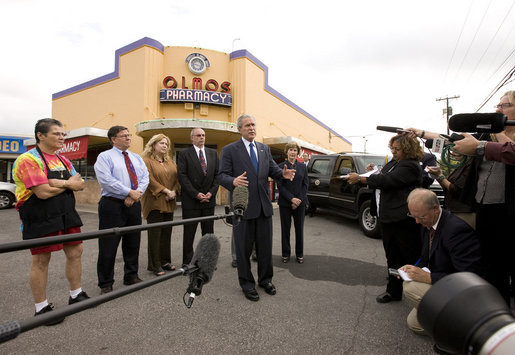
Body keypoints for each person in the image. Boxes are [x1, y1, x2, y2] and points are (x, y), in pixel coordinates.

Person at [411, 90, 515, 306]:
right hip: (484, 213)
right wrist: (421, 132)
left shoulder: (496, 139)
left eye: (504, 105)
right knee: (491, 269)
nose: (498, 109)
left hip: (509, 215)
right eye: (498, 105)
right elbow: (449, 141)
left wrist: (495, 132)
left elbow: (509, 151)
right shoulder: (486, 136)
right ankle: (496, 313)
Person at [12, 118, 89, 324]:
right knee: (41, 259)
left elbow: (81, 185)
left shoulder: (64, 160)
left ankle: (76, 294)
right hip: (39, 214)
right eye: (57, 133)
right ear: (40, 135)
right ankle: (41, 308)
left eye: (63, 134)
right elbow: (43, 192)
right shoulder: (27, 160)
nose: (62, 137)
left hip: (66, 212)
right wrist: (68, 183)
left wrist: (57, 181)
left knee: (76, 252)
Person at [218, 114, 295, 302]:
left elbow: (272, 171)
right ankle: (247, 284)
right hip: (242, 208)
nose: (252, 128)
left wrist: (282, 174)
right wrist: (233, 181)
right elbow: (221, 175)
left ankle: (265, 280)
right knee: (243, 250)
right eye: (247, 125)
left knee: (265, 248)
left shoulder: (263, 149)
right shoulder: (230, 150)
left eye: (253, 125)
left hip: (263, 207)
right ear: (239, 129)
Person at [347, 134, 423, 303]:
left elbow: (388, 180)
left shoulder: (410, 166)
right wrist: (374, 170)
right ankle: (394, 291)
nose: (394, 152)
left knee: (410, 256)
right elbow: (383, 174)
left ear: (407, 149)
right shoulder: (394, 163)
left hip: (403, 220)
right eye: (392, 148)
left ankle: (419, 293)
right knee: (392, 256)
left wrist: (360, 178)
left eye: (397, 149)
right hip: (388, 218)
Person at [400, 188, 482, 335]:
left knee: (410, 288)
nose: (417, 221)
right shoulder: (427, 223)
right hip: (443, 285)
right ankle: (452, 327)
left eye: (421, 217)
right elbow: (426, 258)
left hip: (462, 294)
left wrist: (428, 277)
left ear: (435, 209)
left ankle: (465, 327)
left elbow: (468, 277)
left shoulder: (456, 230)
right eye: (413, 216)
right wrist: (413, 269)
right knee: (414, 324)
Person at [94, 126, 149, 294]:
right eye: (124, 135)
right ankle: (106, 282)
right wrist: (128, 192)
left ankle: (131, 275)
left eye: (129, 135)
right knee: (108, 244)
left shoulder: (136, 157)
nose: (128, 138)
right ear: (113, 139)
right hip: (112, 205)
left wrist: (135, 195)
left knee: (133, 241)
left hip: (134, 204)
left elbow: (144, 177)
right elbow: (106, 180)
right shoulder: (105, 157)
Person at [177, 127, 219, 266]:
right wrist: (196, 194)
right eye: (198, 135)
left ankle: (207, 261)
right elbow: (182, 176)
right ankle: (187, 262)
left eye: (203, 135)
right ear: (192, 138)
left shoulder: (213, 153)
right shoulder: (184, 154)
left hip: (208, 200)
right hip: (191, 202)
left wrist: (211, 193)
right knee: (189, 233)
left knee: (208, 234)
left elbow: (217, 176)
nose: (202, 137)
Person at [141, 134, 180, 276]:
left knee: (166, 233)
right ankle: (154, 265)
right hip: (154, 202)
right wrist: (165, 191)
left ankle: (165, 261)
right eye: (161, 143)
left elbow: (177, 178)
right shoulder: (146, 161)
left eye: (166, 144)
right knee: (155, 234)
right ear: (153, 145)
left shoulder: (171, 162)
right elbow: (149, 180)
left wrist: (174, 191)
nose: (165, 146)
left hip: (170, 201)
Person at [277, 141, 308, 264]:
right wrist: (291, 199)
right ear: (286, 151)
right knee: (285, 229)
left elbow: (305, 184)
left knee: (299, 229)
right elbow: (280, 185)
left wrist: (298, 199)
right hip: (285, 203)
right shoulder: (280, 167)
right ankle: (285, 253)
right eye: (290, 150)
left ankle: (299, 254)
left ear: (298, 153)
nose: (293, 152)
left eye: (295, 150)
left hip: (300, 203)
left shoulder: (303, 167)